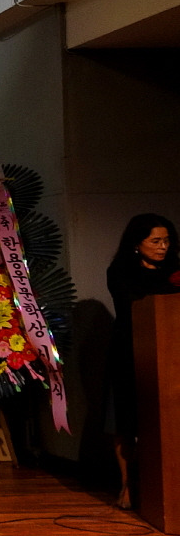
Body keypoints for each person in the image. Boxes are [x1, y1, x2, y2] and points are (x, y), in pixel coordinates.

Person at [105, 214, 180, 509]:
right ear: (137, 243)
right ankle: (128, 484)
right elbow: (133, 306)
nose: (163, 247)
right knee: (126, 420)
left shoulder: (175, 269)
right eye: (156, 241)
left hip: (172, 357)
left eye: (167, 241)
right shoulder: (121, 270)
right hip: (131, 351)